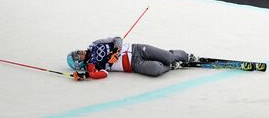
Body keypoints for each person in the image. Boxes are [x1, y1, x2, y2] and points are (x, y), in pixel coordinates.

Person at [67, 36, 197, 81]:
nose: (81, 51)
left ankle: (186, 57)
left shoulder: (94, 44)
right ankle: (172, 65)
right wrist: (87, 76)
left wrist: (116, 50)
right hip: (133, 64)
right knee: (156, 70)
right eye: (78, 54)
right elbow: (102, 74)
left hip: (137, 49)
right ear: (79, 62)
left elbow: (117, 38)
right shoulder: (91, 65)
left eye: (77, 51)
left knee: (168, 56)